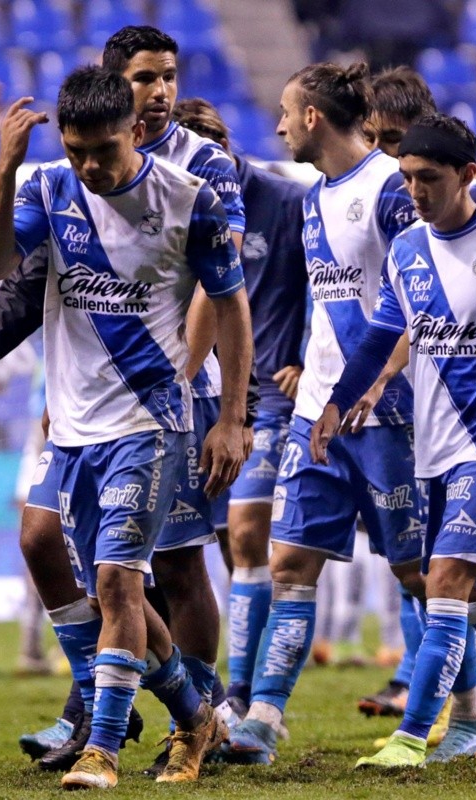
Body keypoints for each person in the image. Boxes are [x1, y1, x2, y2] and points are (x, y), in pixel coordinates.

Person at [0, 25, 250, 772]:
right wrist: (4, 169)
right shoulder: (54, 186)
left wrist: (216, 408)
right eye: (146, 76)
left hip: (159, 411)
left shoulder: (199, 182)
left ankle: (104, 739)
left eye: (168, 76)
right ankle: (190, 714)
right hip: (74, 416)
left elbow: (224, 301)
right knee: (58, 550)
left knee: (152, 573)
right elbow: (0, 271)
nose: (161, 90)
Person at [311, 112, 476, 768]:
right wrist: (337, 401)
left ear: (468, 174)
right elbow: (383, 335)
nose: (414, 191)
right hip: (433, 449)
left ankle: (410, 737)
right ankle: (471, 727)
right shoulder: (408, 249)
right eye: (406, 177)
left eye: (428, 178)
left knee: (444, 581)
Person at [223, 62, 427, 767]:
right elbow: (328, 299)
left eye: (285, 111)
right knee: (289, 563)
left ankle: (465, 714)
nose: (277, 125)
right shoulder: (312, 201)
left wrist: (379, 384)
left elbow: (417, 301)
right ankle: (264, 718)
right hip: (320, 415)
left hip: (388, 417)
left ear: (313, 116)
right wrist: (313, 377)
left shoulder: (392, 192)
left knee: (423, 576)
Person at [170, 97, 309, 714]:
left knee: (248, 538)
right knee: (217, 548)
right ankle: (225, 696)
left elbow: (324, 281)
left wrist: (306, 354)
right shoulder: (171, 203)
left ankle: (251, 700)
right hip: (196, 403)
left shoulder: (283, 201)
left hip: (271, 398)